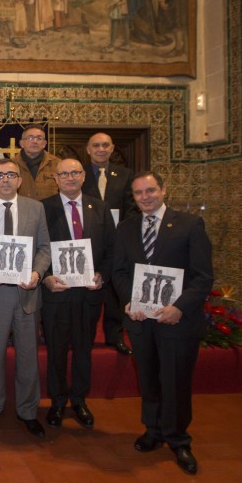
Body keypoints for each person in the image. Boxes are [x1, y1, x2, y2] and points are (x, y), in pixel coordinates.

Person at [111, 171, 213, 475]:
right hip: (142, 322)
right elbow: (119, 272)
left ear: (163, 190)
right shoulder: (126, 229)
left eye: (151, 191)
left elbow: (203, 276)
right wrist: (130, 302)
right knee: (150, 378)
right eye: (139, 193)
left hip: (176, 322)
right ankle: (153, 430)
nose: (145, 197)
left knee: (176, 380)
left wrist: (179, 307)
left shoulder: (189, 224)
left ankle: (179, 438)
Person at [40, 159, 116, 429]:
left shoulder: (100, 207)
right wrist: (45, 277)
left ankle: (80, 399)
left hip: (89, 294)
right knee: (57, 350)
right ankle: (58, 401)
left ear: (83, 176)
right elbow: (39, 248)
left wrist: (102, 275)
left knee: (84, 349)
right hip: (56, 293)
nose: (69, 177)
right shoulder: (43, 208)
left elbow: (111, 249)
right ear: (56, 178)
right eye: (64, 173)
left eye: (74, 172)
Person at [0, 159, 51, 438]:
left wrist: (37, 272)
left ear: (19, 180)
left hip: (26, 293)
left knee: (28, 357)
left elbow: (45, 248)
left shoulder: (36, 208)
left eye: (11, 175)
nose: (5, 180)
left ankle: (28, 411)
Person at [81, 132, 138, 355]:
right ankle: (85, 336)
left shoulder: (125, 175)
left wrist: (122, 234)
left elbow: (131, 208)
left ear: (112, 148)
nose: (101, 149)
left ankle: (115, 336)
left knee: (115, 290)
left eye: (105, 145)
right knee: (90, 289)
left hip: (118, 241)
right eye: (96, 145)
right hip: (89, 241)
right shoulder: (79, 173)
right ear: (88, 149)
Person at [13, 124, 59, 200]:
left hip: (48, 210)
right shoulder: (12, 165)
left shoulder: (57, 164)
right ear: (21, 143)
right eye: (30, 138)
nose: (35, 141)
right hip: (22, 210)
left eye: (39, 138)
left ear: (44, 144)